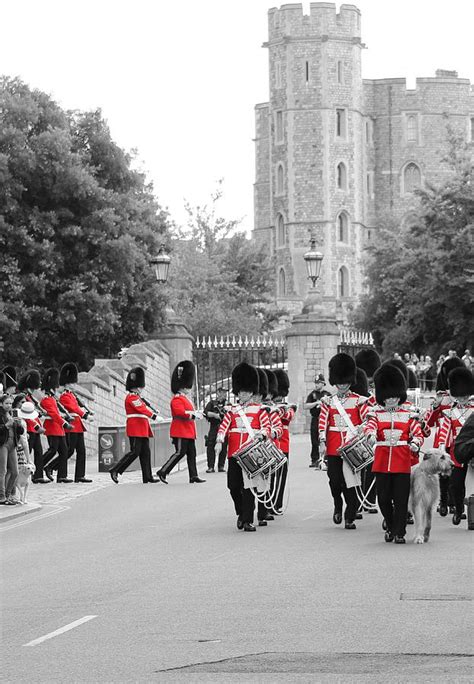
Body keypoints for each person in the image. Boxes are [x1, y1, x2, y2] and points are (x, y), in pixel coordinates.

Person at [364, 364, 424, 544]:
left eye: (394, 396)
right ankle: (390, 526)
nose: (391, 400)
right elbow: (370, 427)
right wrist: (370, 435)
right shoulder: (375, 414)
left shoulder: (408, 415)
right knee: (383, 499)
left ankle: (399, 532)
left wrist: (414, 443)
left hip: (402, 461)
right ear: (382, 397)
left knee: (400, 499)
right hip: (382, 462)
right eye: (387, 397)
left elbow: (418, 434)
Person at [215, 361, 271, 532]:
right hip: (233, 453)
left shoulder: (259, 410)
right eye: (241, 391)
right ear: (237, 392)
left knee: (249, 487)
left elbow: (266, 427)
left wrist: (262, 434)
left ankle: (247, 519)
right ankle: (241, 512)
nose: (243, 394)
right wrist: (219, 441)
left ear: (251, 391)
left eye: (246, 391)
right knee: (233, 486)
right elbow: (224, 426)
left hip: (250, 453)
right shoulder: (232, 410)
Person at [319, 353, 367, 529]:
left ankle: (350, 515)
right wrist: (322, 441)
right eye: (339, 382)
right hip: (333, 447)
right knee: (334, 480)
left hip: (352, 447)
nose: (342, 385)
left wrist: (363, 431)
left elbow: (366, 420)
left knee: (351, 482)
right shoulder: (328, 402)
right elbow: (323, 422)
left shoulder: (359, 401)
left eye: (345, 382)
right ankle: (338, 504)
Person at [156, 360, 205, 484]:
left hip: (188, 431)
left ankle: (193, 476)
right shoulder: (176, 399)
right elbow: (180, 413)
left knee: (191, 454)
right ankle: (163, 471)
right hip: (181, 431)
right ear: (182, 386)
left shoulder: (184, 398)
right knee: (179, 453)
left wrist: (195, 413)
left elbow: (188, 412)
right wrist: (194, 415)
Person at [437, 367, 474, 525]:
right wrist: (440, 449)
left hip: (472, 449)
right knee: (456, 484)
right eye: (459, 396)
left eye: (464, 395)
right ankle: (459, 510)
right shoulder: (449, 413)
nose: (463, 399)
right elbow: (444, 432)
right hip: (456, 452)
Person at [110, 367, 159, 484]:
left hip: (142, 427)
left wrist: (153, 411)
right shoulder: (131, 397)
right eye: (141, 386)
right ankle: (115, 469)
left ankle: (147, 476)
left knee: (146, 452)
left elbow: (143, 407)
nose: (142, 389)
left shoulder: (137, 397)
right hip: (136, 427)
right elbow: (141, 409)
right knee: (135, 452)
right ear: (137, 386)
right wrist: (153, 416)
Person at [59, 362, 93, 483]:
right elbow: (74, 409)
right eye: (72, 383)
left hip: (78, 425)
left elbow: (78, 406)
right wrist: (85, 415)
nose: (74, 385)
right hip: (72, 424)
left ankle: (79, 475)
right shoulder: (64, 396)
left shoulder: (72, 395)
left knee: (81, 451)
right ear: (67, 383)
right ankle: (52, 467)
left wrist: (86, 410)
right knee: (69, 450)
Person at [41, 368, 73, 483]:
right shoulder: (46, 400)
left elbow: (57, 413)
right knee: (52, 450)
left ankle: (61, 476)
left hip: (58, 429)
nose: (57, 390)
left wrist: (65, 417)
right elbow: (54, 414)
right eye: (55, 388)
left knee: (64, 451)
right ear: (51, 388)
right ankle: (38, 467)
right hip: (52, 428)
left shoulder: (52, 399)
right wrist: (65, 423)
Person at [17, 369, 48, 483]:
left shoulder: (30, 396)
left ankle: (38, 475)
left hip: (34, 427)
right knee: (27, 452)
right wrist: (36, 426)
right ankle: (24, 475)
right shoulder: (24, 396)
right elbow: (26, 415)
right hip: (30, 428)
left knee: (39, 452)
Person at [273, 368, 296, 513]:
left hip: (283, 444)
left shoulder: (289, 407)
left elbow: (288, 416)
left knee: (281, 475)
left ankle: (278, 503)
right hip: (270, 444)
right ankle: (269, 501)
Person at [304, 374, 330, 468]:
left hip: (325, 419)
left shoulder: (327, 394)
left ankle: (326, 458)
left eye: (318, 383)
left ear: (323, 383)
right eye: (316, 383)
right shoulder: (312, 394)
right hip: (315, 419)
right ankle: (314, 459)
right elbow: (306, 406)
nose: (316, 385)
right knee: (314, 440)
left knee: (325, 439)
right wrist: (316, 403)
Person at [0, 393, 22, 505]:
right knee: (2, 471)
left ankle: (8, 495)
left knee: (15, 471)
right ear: (1, 403)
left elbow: (20, 432)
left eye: (10, 403)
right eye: (6, 403)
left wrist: (19, 425)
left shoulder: (11, 414)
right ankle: (2, 496)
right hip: (2, 444)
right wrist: (7, 425)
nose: (9, 405)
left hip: (12, 444)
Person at [203, 387, 228, 473]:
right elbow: (205, 412)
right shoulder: (212, 403)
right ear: (218, 393)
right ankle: (210, 466)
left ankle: (221, 466)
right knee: (210, 445)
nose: (224, 394)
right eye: (223, 392)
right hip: (214, 426)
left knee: (224, 446)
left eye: (225, 392)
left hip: (224, 426)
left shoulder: (228, 404)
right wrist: (214, 415)